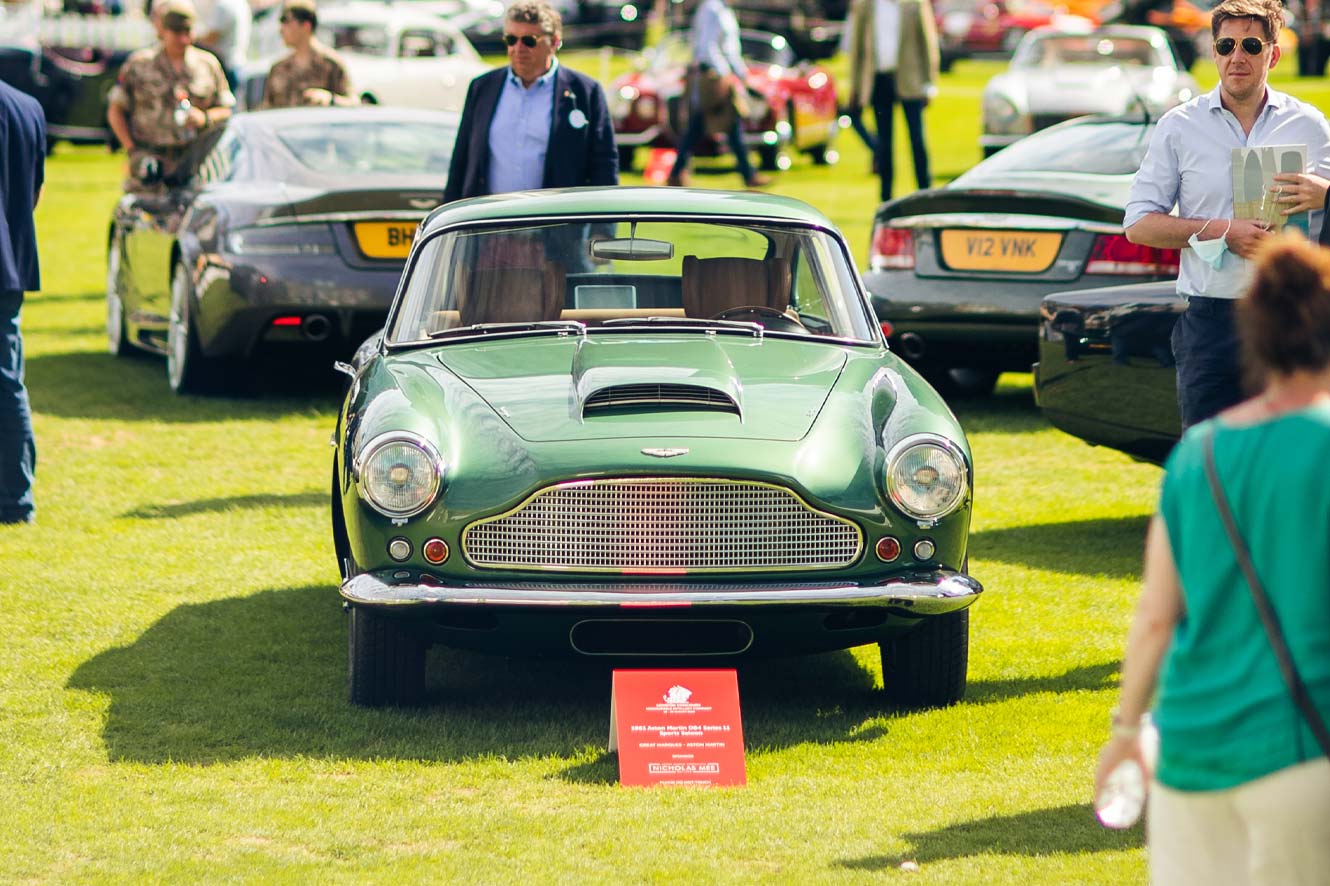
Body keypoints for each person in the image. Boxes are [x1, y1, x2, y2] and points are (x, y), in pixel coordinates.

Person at [1095, 233, 1330, 885]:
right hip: (1302, 749)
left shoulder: (1196, 452)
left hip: (1190, 750)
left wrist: (1124, 729)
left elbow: (1154, 617)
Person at [1123, 0, 1330, 431]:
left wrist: (1324, 194)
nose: (1238, 56)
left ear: (1273, 54)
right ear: (1213, 51)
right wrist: (1221, 231)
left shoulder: (1310, 125)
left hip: (1293, 318)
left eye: (1251, 45)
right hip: (1210, 322)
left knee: (1290, 462)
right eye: (1226, 45)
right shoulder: (1179, 126)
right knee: (1209, 457)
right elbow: (1139, 223)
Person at [443, 0, 617, 203]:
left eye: (529, 40)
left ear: (554, 42)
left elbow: (604, 166)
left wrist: (603, 228)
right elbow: (461, 161)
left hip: (556, 226)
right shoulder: (482, 88)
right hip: (488, 225)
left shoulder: (586, 92)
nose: (518, 48)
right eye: (511, 39)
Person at [106, 0, 234, 192]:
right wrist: (132, 150)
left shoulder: (207, 65)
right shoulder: (139, 65)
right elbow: (116, 110)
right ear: (162, 31)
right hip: (150, 164)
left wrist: (204, 117)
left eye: (188, 32)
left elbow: (227, 109)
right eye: (176, 33)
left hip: (194, 165)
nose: (183, 39)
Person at [664, 0, 771, 189]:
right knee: (721, 124)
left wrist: (740, 73)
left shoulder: (723, 10)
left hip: (719, 74)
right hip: (712, 77)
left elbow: (729, 50)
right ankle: (748, 174)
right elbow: (708, 46)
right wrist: (724, 74)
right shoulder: (712, 9)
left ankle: (677, 173)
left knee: (719, 126)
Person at [0, 80, 44, 526]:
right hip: (8, 263)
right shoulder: (26, 105)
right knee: (7, 382)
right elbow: (34, 194)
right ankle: (15, 499)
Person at [844, 0, 940, 202]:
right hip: (879, 80)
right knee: (884, 144)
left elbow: (927, 43)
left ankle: (925, 193)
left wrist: (929, 83)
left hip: (909, 80)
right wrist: (855, 85)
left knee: (917, 139)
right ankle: (886, 198)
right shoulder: (866, 7)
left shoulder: (913, 5)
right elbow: (858, 50)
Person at [260, 0, 355, 109]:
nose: (281, 30)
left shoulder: (332, 65)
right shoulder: (278, 68)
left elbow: (353, 104)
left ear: (306, 26)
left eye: (287, 22)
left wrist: (330, 100)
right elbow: (267, 110)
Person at [195, 0, 252, 92]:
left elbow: (212, 37)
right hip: (238, 63)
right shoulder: (241, 3)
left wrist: (193, 39)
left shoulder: (223, 5)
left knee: (227, 102)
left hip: (226, 65)